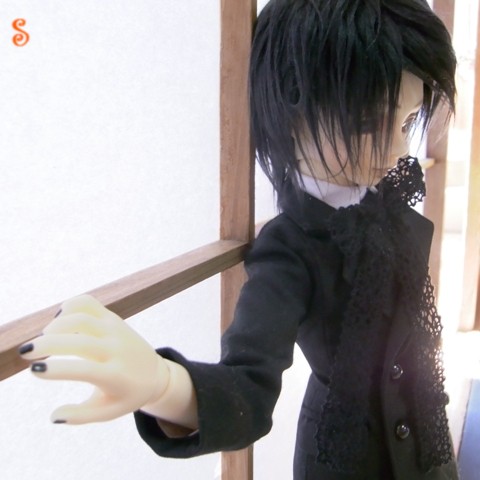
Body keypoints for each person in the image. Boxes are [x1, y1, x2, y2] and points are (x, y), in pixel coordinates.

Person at [19, 0, 459, 478]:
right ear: (291, 110)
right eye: (369, 123)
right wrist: (162, 384)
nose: (397, 150)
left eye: (407, 121)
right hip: (345, 457)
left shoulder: (385, 204)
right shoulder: (290, 247)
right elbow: (249, 384)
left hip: (427, 446)